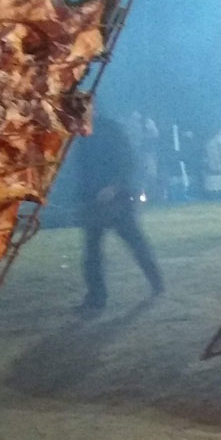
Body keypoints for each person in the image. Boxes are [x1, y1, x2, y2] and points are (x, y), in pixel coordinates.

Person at [75, 116, 164, 312]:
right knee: (92, 252)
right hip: (93, 197)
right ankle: (96, 298)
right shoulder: (83, 134)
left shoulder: (110, 129)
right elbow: (85, 168)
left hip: (118, 199)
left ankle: (156, 281)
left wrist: (115, 187)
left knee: (135, 241)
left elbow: (128, 161)